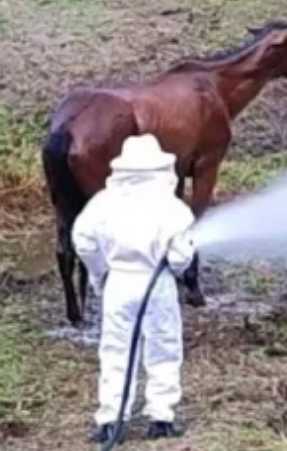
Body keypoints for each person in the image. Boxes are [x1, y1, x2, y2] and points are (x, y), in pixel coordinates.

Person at [72, 134, 197, 443]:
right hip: (157, 284)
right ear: (160, 168)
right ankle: (161, 416)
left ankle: (111, 421)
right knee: (164, 347)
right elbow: (181, 257)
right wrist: (175, 268)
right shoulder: (173, 207)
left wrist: (102, 274)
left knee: (115, 350)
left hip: (119, 282)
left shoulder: (102, 203)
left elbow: (83, 242)